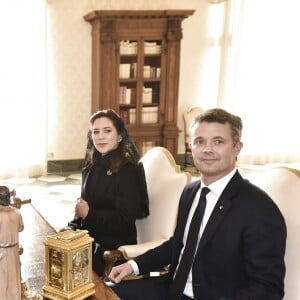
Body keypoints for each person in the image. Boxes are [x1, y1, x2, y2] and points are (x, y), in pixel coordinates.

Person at [108, 108, 287, 300]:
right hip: (170, 288)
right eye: (199, 141)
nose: (207, 149)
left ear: (237, 147)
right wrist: (132, 266)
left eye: (218, 142)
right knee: (98, 294)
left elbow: (268, 288)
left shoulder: (259, 209)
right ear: (190, 147)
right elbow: (178, 244)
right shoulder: (190, 192)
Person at [64, 109, 149, 276]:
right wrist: (71, 227)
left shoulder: (128, 171)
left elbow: (124, 224)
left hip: (113, 251)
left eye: (107, 131)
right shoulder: (90, 167)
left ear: (119, 136)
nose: (100, 136)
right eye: (96, 131)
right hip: (89, 241)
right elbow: (83, 207)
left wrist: (88, 216)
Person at [0, 186, 24, 300]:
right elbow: (20, 228)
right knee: (14, 281)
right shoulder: (17, 213)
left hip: (1, 252)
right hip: (14, 251)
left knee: (2, 282)